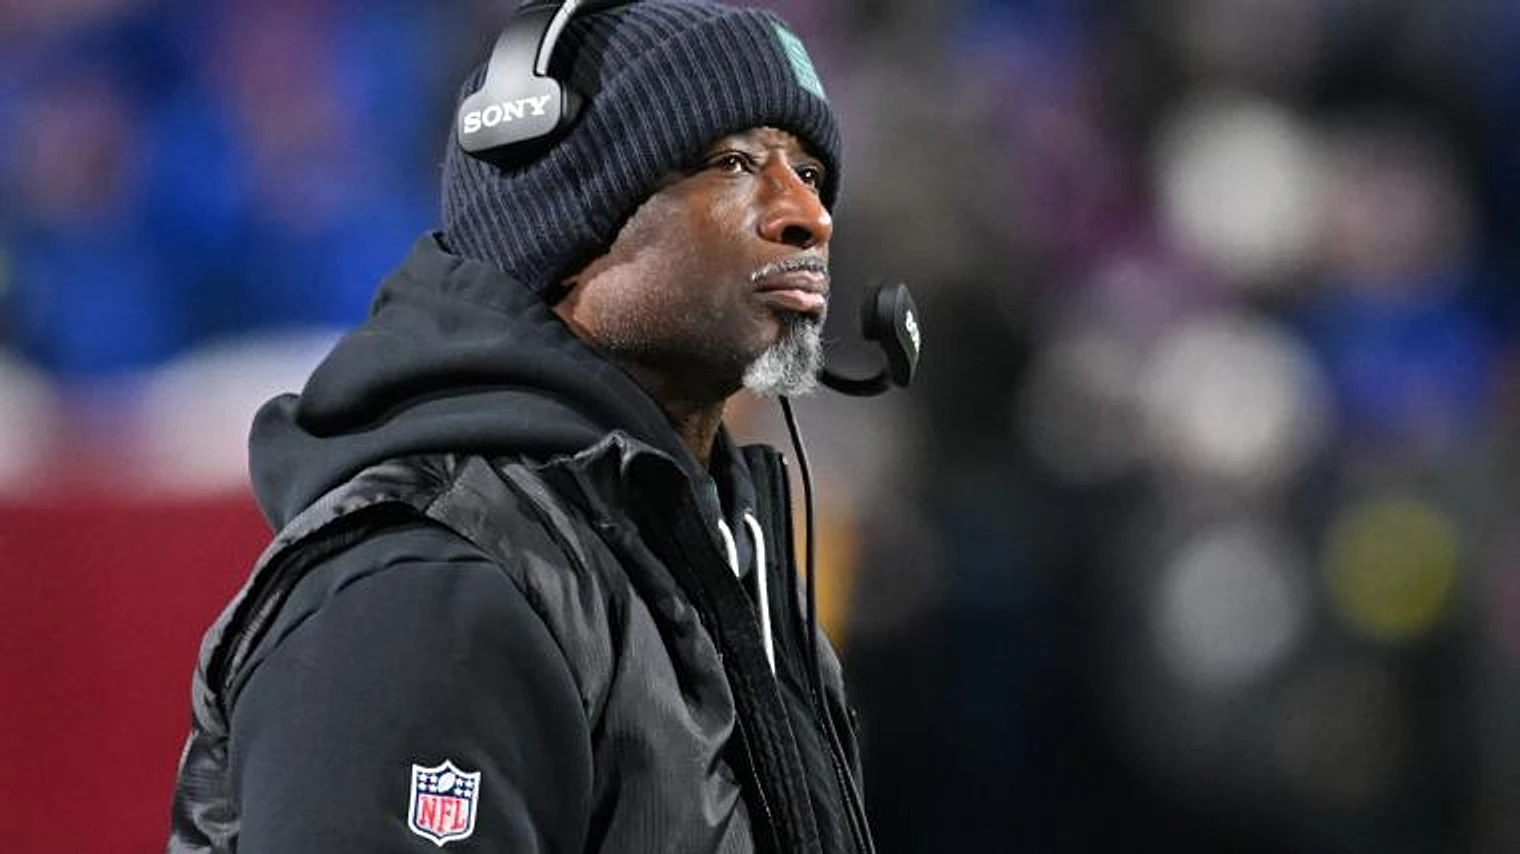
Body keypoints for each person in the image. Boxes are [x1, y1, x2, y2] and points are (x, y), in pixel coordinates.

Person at [167, 1, 876, 852]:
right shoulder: (426, 590)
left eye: (810, 173)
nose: (808, 215)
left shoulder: (717, 556)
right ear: (567, 220)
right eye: (734, 163)